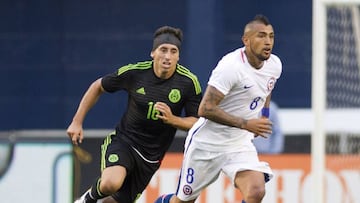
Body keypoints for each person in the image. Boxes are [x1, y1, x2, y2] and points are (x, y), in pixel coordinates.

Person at [67, 25, 202, 203]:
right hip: (125, 142)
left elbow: (198, 123)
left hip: (151, 158)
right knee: (110, 184)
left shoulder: (189, 83)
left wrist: (173, 120)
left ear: (178, 56)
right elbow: (98, 86)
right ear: (153, 53)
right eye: (163, 50)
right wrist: (77, 122)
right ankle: (85, 200)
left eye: (173, 51)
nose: (167, 56)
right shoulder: (135, 73)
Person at [154, 14, 282, 203]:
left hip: (239, 144)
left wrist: (263, 115)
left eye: (271, 36)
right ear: (246, 40)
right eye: (261, 36)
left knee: (256, 191)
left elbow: (266, 88)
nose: (267, 41)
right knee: (183, 201)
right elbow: (205, 109)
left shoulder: (274, 64)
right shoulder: (230, 67)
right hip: (207, 144)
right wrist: (246, 123)